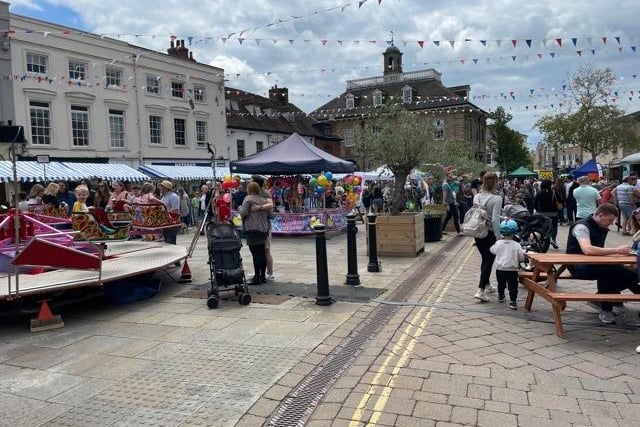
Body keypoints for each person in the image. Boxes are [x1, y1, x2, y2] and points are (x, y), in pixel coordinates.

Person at [565, 203, 640, 324]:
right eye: (610, 220)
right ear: (600, 215)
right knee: (610, 271)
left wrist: (620, 256)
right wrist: (617, 250)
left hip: (596, 263)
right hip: (578, 266)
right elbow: (588, 249)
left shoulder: (600, 226)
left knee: (631, 273)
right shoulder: (581, 227)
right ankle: (606, 308)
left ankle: (602, 299)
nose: (611, 223)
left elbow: (598, 252)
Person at [473, 172, 503, 302]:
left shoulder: (477, 197)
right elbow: (495, 220)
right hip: (490, 233)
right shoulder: (497, 199)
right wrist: (498, 236)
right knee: (488, 261)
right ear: (495, 182)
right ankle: (480, 290)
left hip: (478, 232)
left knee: (485, 260)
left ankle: (487, 285)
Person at [490, 219, 526, 309]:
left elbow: (492, 251)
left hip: (500, 268)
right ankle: (513, 302)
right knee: (513, 286)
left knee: (501, 283)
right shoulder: (517, 245)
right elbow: (521, 257)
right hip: (512, 269)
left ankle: (501, 295)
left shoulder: (498, 243)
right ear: (515, 232)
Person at [239, 182, 271, 285]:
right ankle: (263, 276)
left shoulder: (248, 199)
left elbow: (243, 212)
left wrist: (239, 208)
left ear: (250, 189)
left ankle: (257, 277)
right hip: (263, 229)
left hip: (252, 229)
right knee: (262, 253)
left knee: (255, 254)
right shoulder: (263, 200)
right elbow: (270, 214)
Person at [251, 175, 275, 280]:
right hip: (256, 225)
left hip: (265, 224)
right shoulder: (253, 193)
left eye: (251, 181)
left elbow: (271, 205)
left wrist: (259, 207)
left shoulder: (264, 192)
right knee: (258, 250)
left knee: (266, 249)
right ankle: (259, 271)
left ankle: (269, 272)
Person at [533, 179, 559, 248]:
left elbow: (534, 203)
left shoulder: (539, 193)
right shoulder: (554, 192)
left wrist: (537, 210)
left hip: (542, 213)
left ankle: (542, 240)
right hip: (553, 213)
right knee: (554, 227)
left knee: (542, 227)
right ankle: (553, 239)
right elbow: (561, 201)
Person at [158, 180, 180, 245]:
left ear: (166, 188)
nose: (160, 188)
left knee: (170, 241)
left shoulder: (174, 196)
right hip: (165, 222)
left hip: (172, 222)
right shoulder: (164, 197)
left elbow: (175, 210)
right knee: (166, 240)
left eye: (161, 186)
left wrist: (166, 215)